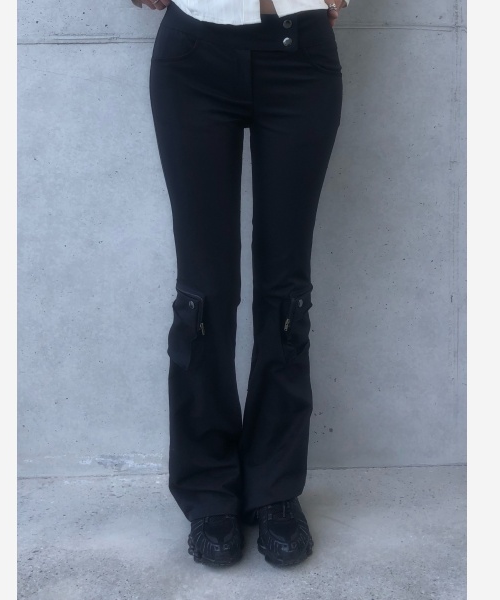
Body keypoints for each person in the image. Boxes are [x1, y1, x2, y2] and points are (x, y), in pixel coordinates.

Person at [131, 0, 348, 567]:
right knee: (203, 292)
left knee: (286, 291)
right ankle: (209, 490)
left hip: (300, 54)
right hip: (194, 52)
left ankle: (275, 488)